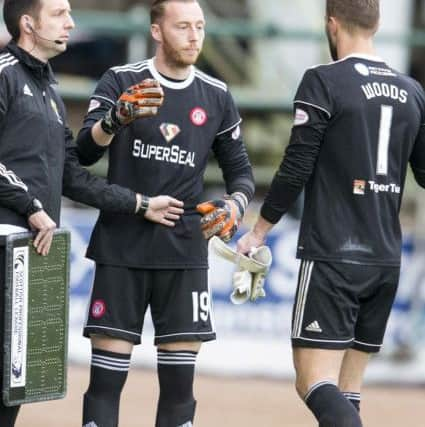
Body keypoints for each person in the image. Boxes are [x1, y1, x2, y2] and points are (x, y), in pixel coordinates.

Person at [237, 0, 425, 426]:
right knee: (347, 390)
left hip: (333, 255)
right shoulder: (413, 91)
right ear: (376, 23)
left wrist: (260, 229)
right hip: (385, 258)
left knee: (313, 383)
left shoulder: (323, 81)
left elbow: (297, 165)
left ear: (331, 24)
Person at [0, 1, 182, 426]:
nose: (71, 23)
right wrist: (31, 207)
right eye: (59, 14)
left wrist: (140, 205)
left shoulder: (48, 89)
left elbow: (74, 177)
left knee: (14, 383)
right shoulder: (4, 73)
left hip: (31, 248)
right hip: (8, 235)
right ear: (28, 23)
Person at [76, 0, 254, 426]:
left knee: (178, 391)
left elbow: (242, 174)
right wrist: (115, 119)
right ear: (157, 31)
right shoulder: (122, 80)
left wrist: (235, 205)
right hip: (122, 249)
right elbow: (82, 152)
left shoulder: (216, 94)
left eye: (200, 27)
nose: (195, 36)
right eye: (183, 27)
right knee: (105, 384)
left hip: (184, 255)